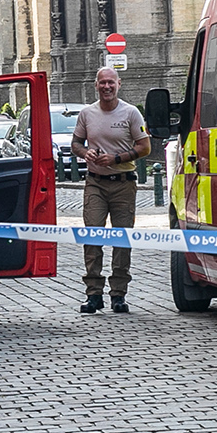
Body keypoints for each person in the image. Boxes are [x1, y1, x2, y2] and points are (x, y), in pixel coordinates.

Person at [72, 66, 149, 313]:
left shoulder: (131, 113)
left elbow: (145, 146)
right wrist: (86, 153)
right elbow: (76, 143)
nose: (107, 87)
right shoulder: (87, 114)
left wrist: (117, 158)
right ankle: (93, 293)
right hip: (95, 182)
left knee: (122, 239)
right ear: (96, 85)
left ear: (119, 84)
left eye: (111, 83)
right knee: (92, 236)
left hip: (123, 183)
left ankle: (118, 294)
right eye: (102, 82)